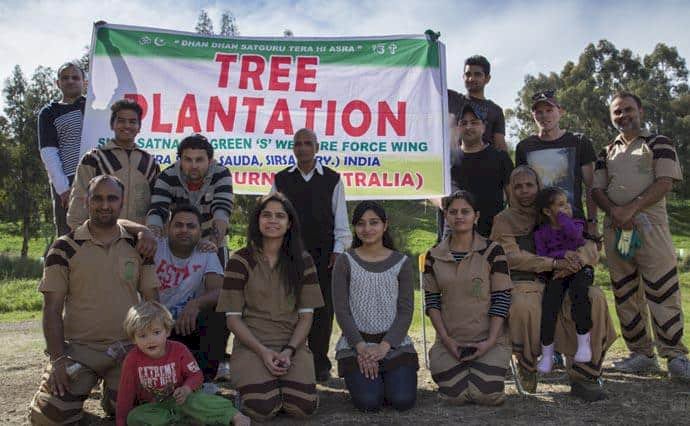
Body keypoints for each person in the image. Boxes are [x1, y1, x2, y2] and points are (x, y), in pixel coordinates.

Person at [29, 175, 159, 425]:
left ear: (122, 202)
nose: (105, 205)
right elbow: (52, 309)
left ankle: (112, 398)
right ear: (86, 201)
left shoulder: (139, 246)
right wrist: (57, 361)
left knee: (144, 414)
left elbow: (153, 302)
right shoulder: (63, 248)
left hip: (127, 349)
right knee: (47, 418)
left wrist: (153, 354)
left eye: (112, 198)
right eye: (97, 198)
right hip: (78, 350)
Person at [490, 166, 617, 401]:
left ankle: (584, 374)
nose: (524, 191)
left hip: (567, 278)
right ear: (509, 190)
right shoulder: (503, 220)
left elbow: (589, 245)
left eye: (530, 185)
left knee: (595, 297)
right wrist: (553, 263)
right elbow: (510, 256)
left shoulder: (560, 209)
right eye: (517, 186)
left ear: (538, 187)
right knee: (524, 305)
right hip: (526, 281)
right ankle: (528, 365)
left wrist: (576, 261)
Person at [592, 92, 689, 379]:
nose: (623, 116)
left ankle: (675, 356)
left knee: (662, 287)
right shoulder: (606, 151)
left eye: (628, 110)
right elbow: (596, 189)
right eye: (617, 112)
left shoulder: (658, 143)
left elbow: (665, 181)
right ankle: (641, 353)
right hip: (617, 228)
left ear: (640, 110)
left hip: (650, 227)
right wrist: (615, 212)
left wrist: (632, 208)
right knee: (624, 290)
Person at [217, 193, 324, 421]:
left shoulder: (303, 261)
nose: (272, 220)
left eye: (280, 216)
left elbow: (306, 317)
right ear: (257, 221)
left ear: (289, 223)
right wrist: (263, 352)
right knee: (262, 409)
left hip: (291, 347)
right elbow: (232, 319)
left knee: (301, 408)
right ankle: (254, 389)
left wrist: (289, 351)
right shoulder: (240, 260)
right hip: (252, 346)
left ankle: (286, 388)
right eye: (266, 215)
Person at [271, 128, 352, 382]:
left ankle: (319, 363)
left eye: (308, 143)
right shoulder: (281, 180)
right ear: (293, 148)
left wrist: (338, 252)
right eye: (298, 143)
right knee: (287, 307)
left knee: (322, 310)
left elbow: (341, 220)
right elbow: (273, 217)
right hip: (288, 255)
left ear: (317, 148)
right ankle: (288, 360)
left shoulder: (332, 179)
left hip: (324, 256)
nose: (303, 148)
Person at [424, 190, 512, 405]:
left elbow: (501, 299)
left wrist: (490, 341)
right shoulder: (433, 255)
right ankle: (460, 373)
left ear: (476, 216)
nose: (459, 216)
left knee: (486, 396)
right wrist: (447, 340)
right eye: (453, 212)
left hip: (489, 341)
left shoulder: (493, 251)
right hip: (450, 342)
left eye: (465, 211)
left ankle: (481, 369)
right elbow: (432, 302)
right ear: (445, 216)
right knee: (455, 397)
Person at [332, 201, 418, 412]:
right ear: (354, 227)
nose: (367, 229)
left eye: (374, 222)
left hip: (393, 345)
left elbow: (406, 311)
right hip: (356, 346)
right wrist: (362, 348)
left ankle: (387, 377)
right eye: (361, 223)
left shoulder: (402, 262)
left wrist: (384, 347)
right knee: (369, 402)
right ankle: (371, 380)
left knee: (402, 400)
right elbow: (341, 311)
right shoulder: (345, 261)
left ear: (385, 225)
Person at [117, 301, 250, 426]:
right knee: (134, 417)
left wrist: (186, 388)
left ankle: (234, 415)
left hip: (184, 399)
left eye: (156, 332)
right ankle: (182, 421)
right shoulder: (132, 359)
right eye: (142, 336)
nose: (150, 340)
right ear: (133, 339)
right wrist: (121, 423)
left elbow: (196, 375)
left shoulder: (179, 350)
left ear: (167, 331)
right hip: (155, 406)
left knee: (199, 401)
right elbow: (126, 393)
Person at [153, 204, 228, 387]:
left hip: (187, 325)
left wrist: (196, 304)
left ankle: (205, 380)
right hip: (154, 326)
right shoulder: (154, 247)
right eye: (178, 225)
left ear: (199, 231)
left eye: (191, 226)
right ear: (167, 228)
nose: (184, 230)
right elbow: (121, 225)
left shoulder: (206, 253)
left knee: (219, 313)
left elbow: (219, 291)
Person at [515, 90, 599, 238]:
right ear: (532, 115)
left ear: (560, 111)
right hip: (538, 227)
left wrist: (592, 222)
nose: (544, 115)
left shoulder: (579, 142)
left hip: (574, 224)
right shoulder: (524, 147)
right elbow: (520, 189)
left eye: (549, 110)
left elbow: (591, 185)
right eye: (539, 112)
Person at [67, 99, 159, 229]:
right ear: (112, 125)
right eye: (121, 121)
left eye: (132, 122)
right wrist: (78, 231)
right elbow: (79, 197)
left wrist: (151, 232)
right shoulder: (94, 158)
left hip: (139, 240)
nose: (127, 125)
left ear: (139, 127)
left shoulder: (149, 162)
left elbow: (156, 202)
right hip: (101, 237)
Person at [147, 133, 234, 266]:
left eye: (199, 160)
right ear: (180, 160)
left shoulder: (221, 174)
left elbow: (222, 211)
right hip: (178, 243)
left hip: (212, 239)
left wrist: (212, 244)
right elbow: (157, 211)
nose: (193, 165)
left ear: (210, 160)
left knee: (218, 283)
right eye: (188, 160)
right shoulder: (166, 176)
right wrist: (152, 238)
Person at [533, 187, 594, 373]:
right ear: (547, 211)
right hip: (558, 272)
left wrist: (564, 218)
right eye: (560, 205)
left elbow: (577, 239)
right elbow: (543, 255)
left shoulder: (575, 223)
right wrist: (563, 255)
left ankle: (584, 341)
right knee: (549, 304)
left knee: (580, 293)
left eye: (567, 203)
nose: (567, 208)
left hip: (580, 270)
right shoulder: (541, 233)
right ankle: (547, 353)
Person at [450, 102, 513, 237]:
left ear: (484, 127)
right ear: (458, 128)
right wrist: (444, 204)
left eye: (474, 122)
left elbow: (513, 199)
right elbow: (431, 189)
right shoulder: (447, 159)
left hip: (492, 236)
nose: (468, 127)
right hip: (453, 237)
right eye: (464, 123)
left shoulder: (500, 158)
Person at [38, 61, 86, 237]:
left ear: (84, 82)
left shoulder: (93, 108)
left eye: (75, 77)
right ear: (58, 83)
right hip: (67, 181)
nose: (70, 81)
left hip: (97, 180)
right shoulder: (49, 112)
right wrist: (63, 189)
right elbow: (48, 152)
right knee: (68, 237)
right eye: (65, 78)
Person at [448, 55, 507, 151]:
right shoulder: (451, 98)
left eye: (477, 74)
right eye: (468, 74)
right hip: (455, 164)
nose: (471, 78)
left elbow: (500, 146)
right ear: (463, 77)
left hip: (485, 164)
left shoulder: (495, 110)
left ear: (487, 78)